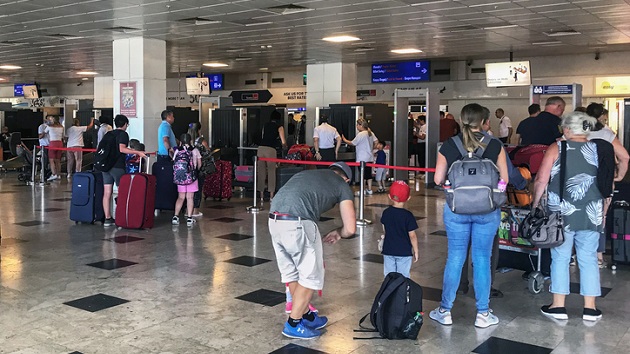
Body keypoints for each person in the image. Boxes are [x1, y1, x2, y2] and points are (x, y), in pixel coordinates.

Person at [430, 103, 508, 329]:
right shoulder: (495, 145)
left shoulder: (450, 145)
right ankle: (483, 313)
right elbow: (504, 179)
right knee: (482, 259)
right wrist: (495, 190)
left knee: (455, 257)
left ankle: (444, 310)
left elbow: (437, 179)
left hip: (456, 210)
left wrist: (450, 186)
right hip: (488, 210)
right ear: (484, 123)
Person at [269, 161, 356, 339]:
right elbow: (351, 228)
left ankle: (305, 315)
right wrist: (339, 232)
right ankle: (293, 324)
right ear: (346, 179)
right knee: (310, 277)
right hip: (298, 222)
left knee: (292, 274)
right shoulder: (341, 185)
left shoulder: (308, 174)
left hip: (274, 220)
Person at [532, 112, 604, 322]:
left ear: (567, 129)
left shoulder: (557, 148)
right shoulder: (598, 148)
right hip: (592, 211)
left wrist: (536, 203)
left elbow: (541, 179)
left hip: (561, 212)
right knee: (588, 258)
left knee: (561, 257)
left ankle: (558, 306)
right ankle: (590, 309)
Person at [586, 103, 630, 268]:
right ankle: (598, 257)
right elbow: (624, 157)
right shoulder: (607, 134)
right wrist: (619, 176)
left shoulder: (579, 133)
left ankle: (575, 255)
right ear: (601, 116)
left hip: (581, 182)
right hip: (604, 182)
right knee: (600, 218)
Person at [102, 115, 147, 227]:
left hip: (105, 166)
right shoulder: (123, 134)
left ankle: (107, 218)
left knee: (107, 193)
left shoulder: (109, 134)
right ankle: (122, 216)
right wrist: (137, 152)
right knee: (123, 192)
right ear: (125, 124)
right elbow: (122, 149)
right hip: (117, 167)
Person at [380, 181, 419, 278]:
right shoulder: (408, 216)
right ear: (408, 198)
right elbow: (412, 236)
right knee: (403, 276)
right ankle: (401, 292)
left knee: (389, 275)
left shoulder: (386, 213)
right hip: (404, 252)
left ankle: (389, 292)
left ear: (390, 196)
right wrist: (416, 250)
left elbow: (385, 229)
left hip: (388, 249)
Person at [172, 133, 202, 227]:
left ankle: (175, 217)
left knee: (180, 197)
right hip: (191, 177)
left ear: (180, 142)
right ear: (191, 141)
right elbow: (199, 164)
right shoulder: (195, 150)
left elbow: (174, 162)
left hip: (180, 177)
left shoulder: (178, 151)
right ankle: (189, 218)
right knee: (190, 197)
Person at [257, 110, 287, 202]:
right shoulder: (280, 127)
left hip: (261, 148)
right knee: (271, 172)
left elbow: (263, 136)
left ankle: (261, 196)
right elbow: (283, 141)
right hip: (270, 150)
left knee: (261, 172)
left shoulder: (265, 125)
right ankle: (271, 196)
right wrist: (285, 146)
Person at [342, 118, 376, 195]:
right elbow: (376, 141)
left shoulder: (361, 134)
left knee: (362, 174)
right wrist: (371, 148)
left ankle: (362, 190)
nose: (357, 127)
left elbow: (353, 143)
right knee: (368, 174)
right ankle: (369, 189)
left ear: (361, 125)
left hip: (362, 158)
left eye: (357, 125)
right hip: (369, 157)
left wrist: (344, 139)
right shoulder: (370, 133)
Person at [44, 116, 65, 181]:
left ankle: (53, 174)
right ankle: (58, 175)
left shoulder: (49, 127)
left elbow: (43, 134)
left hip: (53, 143)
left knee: (51, 160)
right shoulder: (61, 127)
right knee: (58, 160)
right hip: (60, 143)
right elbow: (63, 136)